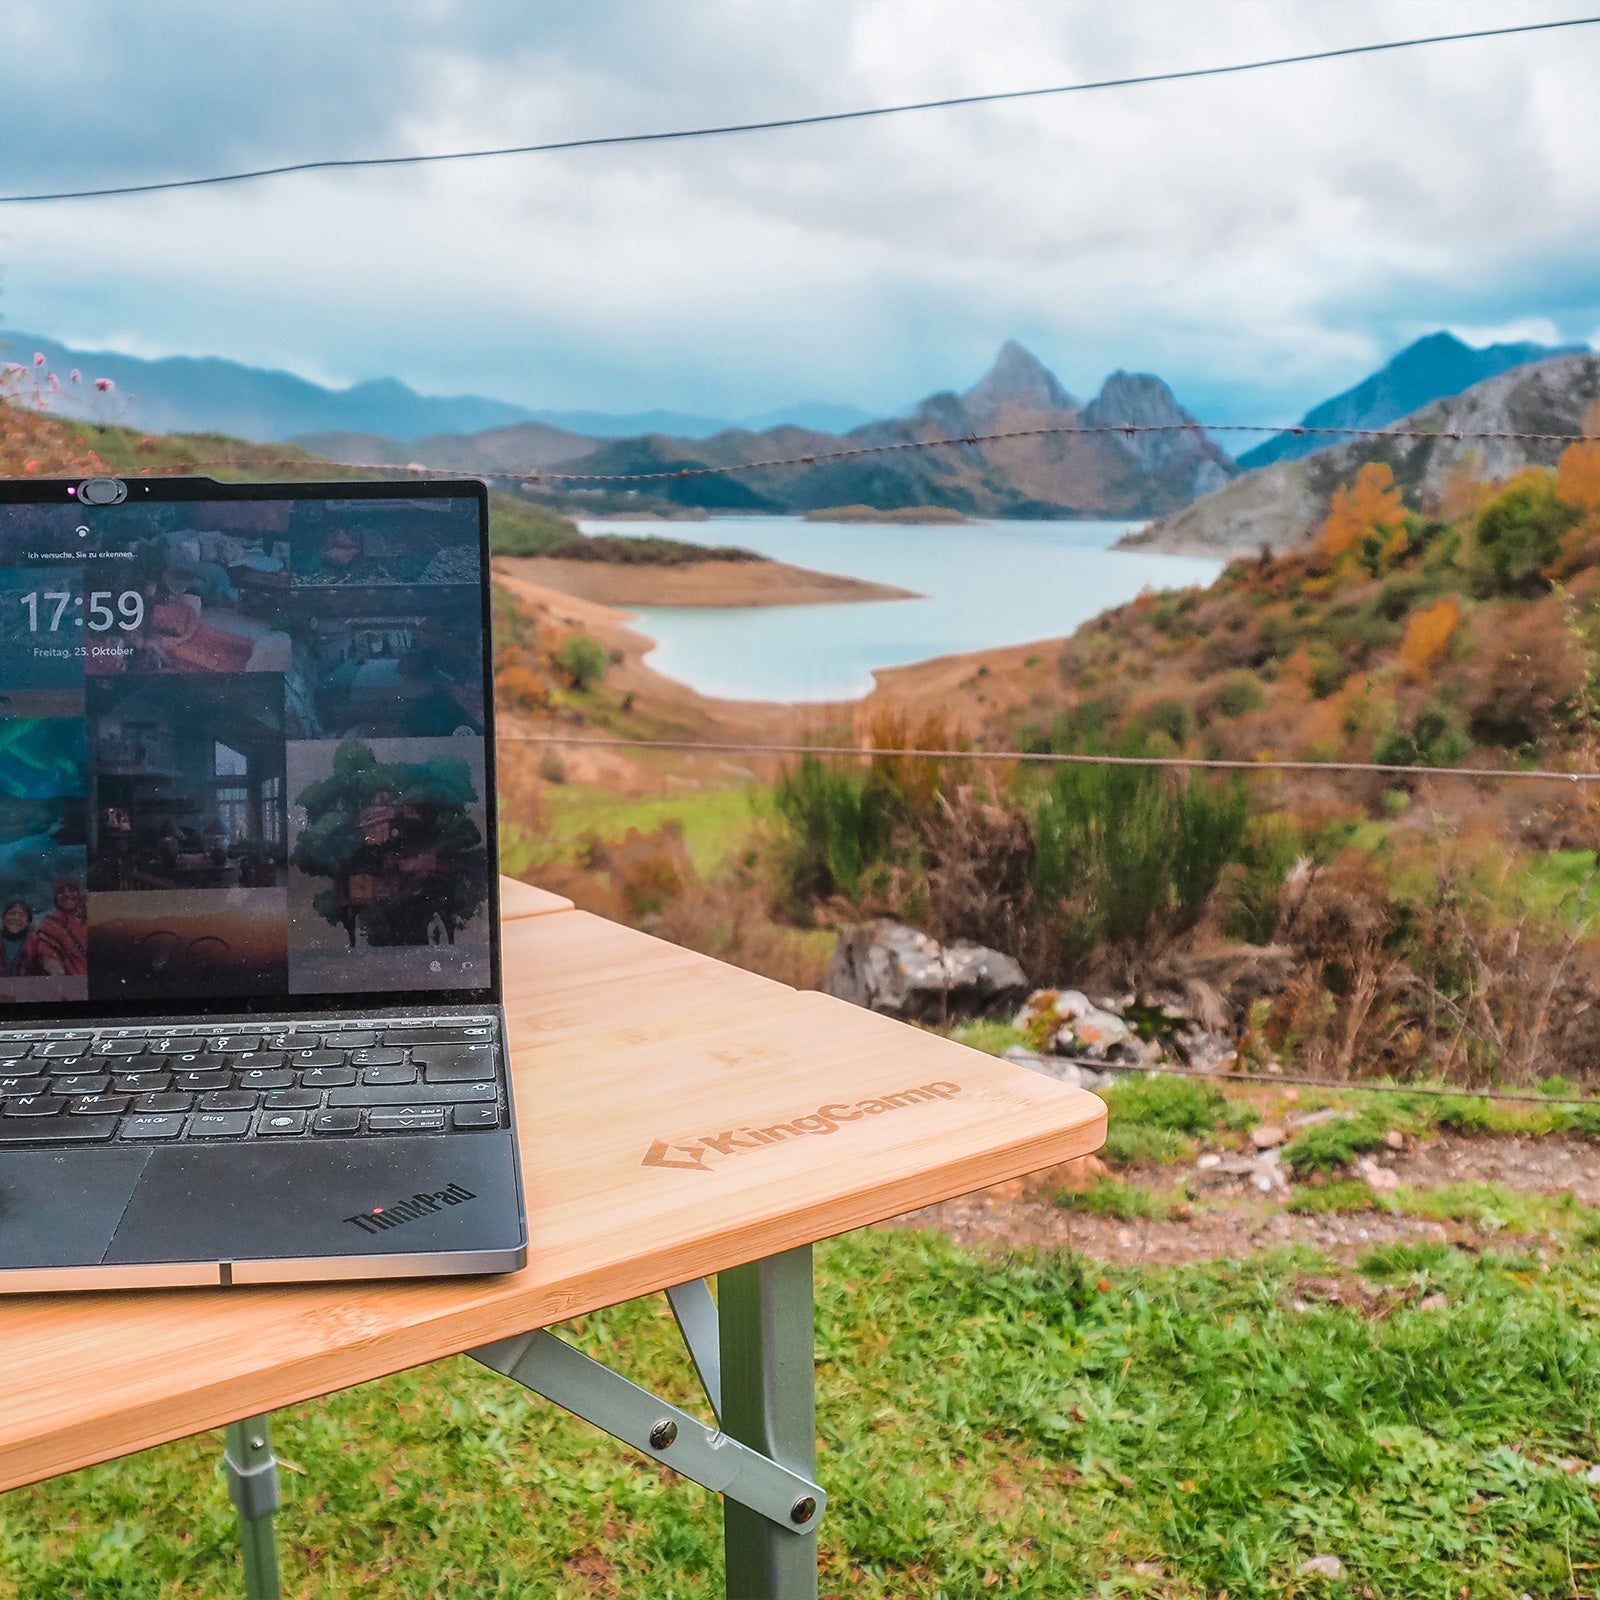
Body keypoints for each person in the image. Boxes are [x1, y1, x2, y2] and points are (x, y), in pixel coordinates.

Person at [33, 880, 87, 977]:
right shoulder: (50, 924)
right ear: (55, 898)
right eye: (61, 891)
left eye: (71, 890)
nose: (67, 894)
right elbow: (47, 954)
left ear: (79, 895)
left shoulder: (92, 917)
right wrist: (60, 977)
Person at [0, 900, 38, 977]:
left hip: (28, 987)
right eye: (12, 913)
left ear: (28, 922)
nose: (16, 918)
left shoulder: (37, 943)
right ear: (3, 918)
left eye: (22, 915)